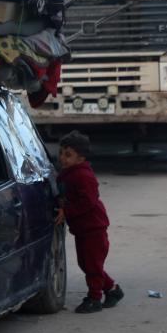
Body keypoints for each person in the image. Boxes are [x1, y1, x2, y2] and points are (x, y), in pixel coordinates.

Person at [56, 131, 124, 314]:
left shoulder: (83, 176)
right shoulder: (68, 173)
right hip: (82, 229)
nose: (62, 158)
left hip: (93, 228)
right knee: (86, 264)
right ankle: (112, 289)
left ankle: (94, 298)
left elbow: (88, 201)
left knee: (92, 265)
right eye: (61, 153)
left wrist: (67, 210)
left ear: (81, 157)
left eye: (68, 155)